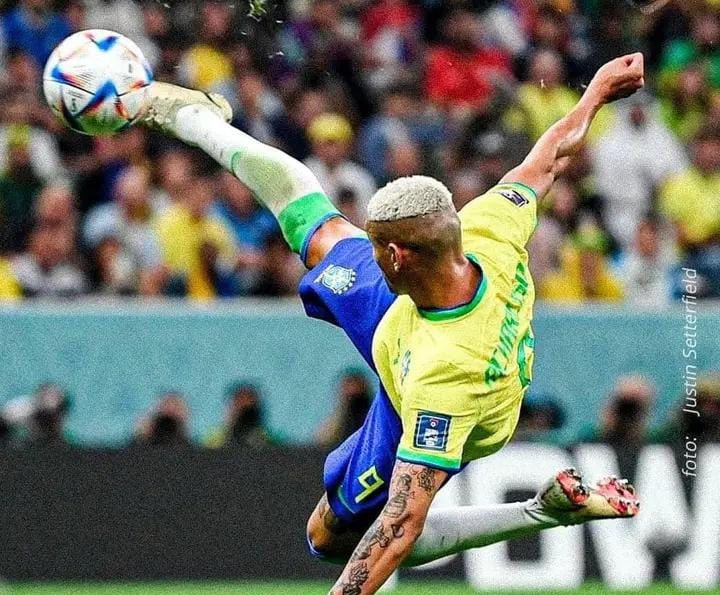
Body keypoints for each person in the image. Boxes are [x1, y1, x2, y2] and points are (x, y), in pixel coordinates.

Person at [139, 52, 645, 594]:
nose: (368, 248)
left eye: (376, 245)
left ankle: (538, 512)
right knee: (315, 225)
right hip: (409, 311)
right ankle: (197, 120)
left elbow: (401, 526)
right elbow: (549, 158)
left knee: (329, 538)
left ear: (397, 255)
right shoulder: (488, 228)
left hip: (430, 392)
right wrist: (596, 92)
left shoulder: (442, 382)